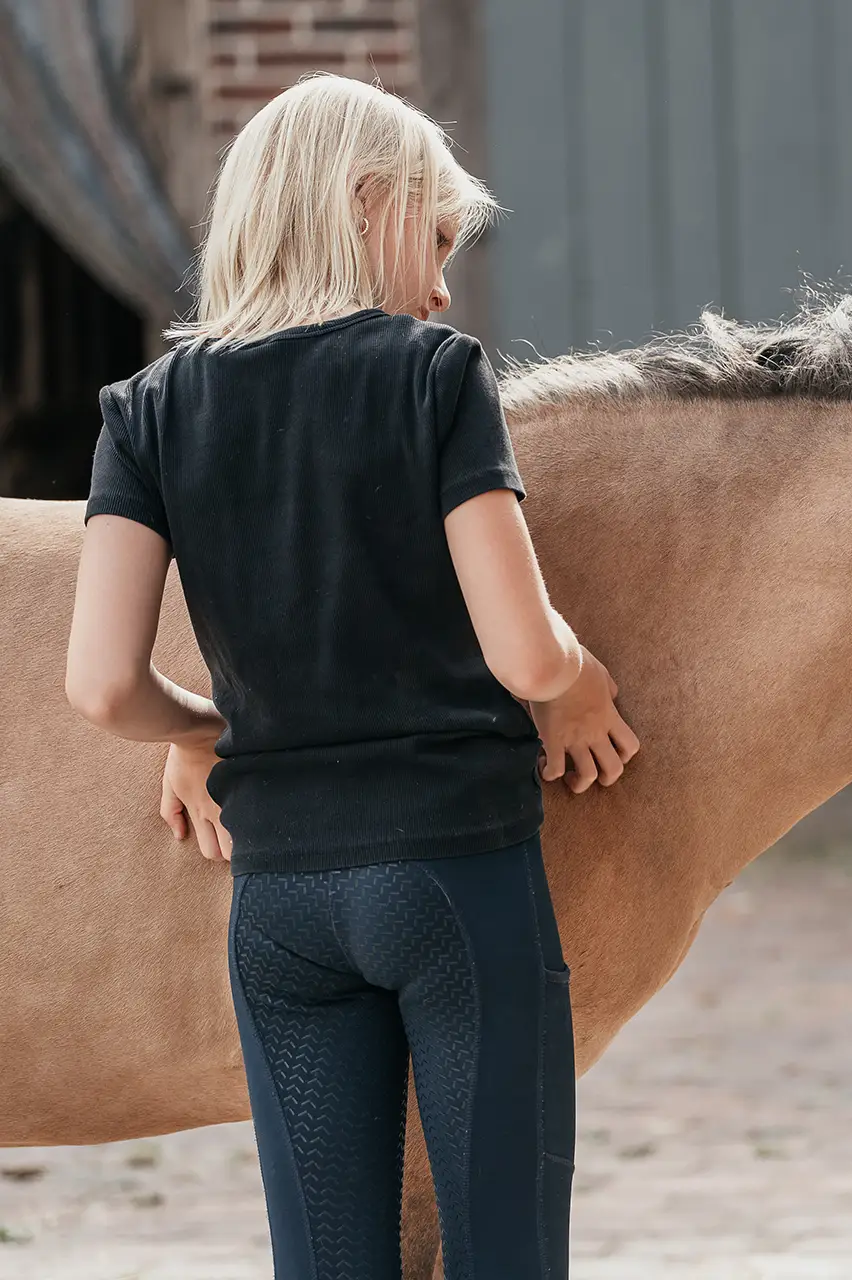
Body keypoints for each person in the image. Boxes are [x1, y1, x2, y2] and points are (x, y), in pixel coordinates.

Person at [63, 73, 636, 1280]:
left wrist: (203, 726)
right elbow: (524, 651)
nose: (440, 282)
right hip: (453, 877)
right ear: (363, 201)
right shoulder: (434, 375)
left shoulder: (147, 409)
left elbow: (104, 685)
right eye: (432, 235)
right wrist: (577, 680)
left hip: (281, 912)